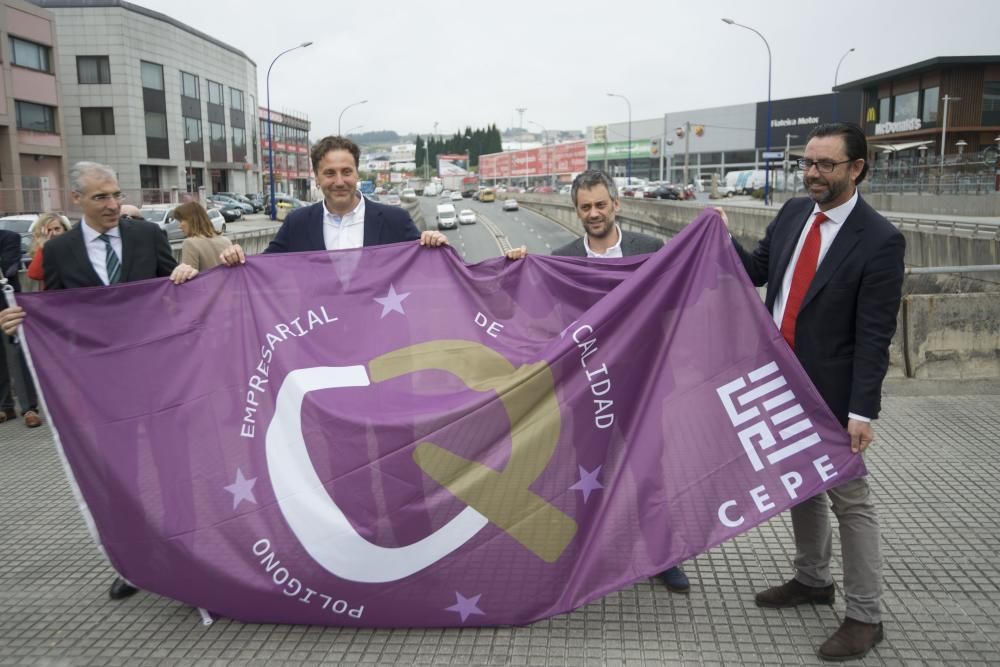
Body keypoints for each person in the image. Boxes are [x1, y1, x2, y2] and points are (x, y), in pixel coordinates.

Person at [730, 123, 905, 661]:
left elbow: (875, 336)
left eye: (825, 165)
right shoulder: (791, 214)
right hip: (779, 381)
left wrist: (861, 412)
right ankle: (812, 580)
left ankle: (865, 615)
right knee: (799, 487)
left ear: (857, 169)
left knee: (851, 503)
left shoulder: (879, 240)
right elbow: (759, 272)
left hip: (832, 394)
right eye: (807, 163)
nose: (812, 174)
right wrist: (716, 239)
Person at [0, 161, 199, 601]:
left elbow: (174, 295)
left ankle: (189, 554)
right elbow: (56, 318)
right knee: (120, 478)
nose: (112, 205)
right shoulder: (58, 252)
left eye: (114, 195)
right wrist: (20, 329)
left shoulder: (147, 235)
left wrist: (185, 278)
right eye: (100, 198)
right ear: (76, 201)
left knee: (174, 470)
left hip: (159, 379)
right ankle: (133, 564)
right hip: (102, 389)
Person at [508, 169, 690, 595]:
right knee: (586, 474)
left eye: (600, 204)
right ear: (577, 211)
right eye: (585, 207)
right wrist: (519, 270)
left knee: (650, 471)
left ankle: (664, 557)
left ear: (616, 204)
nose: (594, 213)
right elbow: (541, 318)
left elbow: (673, 304)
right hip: (587, 389)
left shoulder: (649, 249)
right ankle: (586, 555)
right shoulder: (564, 258)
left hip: (644, 383)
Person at [220, 135, 447, 265]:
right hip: (319, 342)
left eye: (346, 172)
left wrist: (434, 243)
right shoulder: (297, 223)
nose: (339, 181)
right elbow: (262, 269)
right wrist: (235, 259)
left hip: (385, 340)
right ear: (317, 178)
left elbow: (427, 266)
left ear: (357, 173)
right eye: (329, 173)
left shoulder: (394, 220)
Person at [1, 228, 41, 427]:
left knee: (16, 356)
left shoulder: (10, 237)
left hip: (7, 308)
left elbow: (8, 268)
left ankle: (29, 409)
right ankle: (5, 408)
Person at [175, 201, 231, 271]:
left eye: (181, 221)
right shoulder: (226, 240)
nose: (179, 226)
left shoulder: (190, 243)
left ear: (191, 220)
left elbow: (189, 277)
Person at [26, 212, 72, 288]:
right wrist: (42, 248)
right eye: (48, 230)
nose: (53, 233)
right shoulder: (42, 250)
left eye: (57, 229)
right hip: (53, 295)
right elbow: (35, 275)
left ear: (65, 229)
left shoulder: (73, 246)